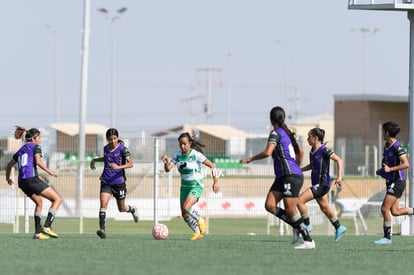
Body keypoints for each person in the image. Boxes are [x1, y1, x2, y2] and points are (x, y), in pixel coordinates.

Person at [240, 106, 315, 249]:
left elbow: (268, 152)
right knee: (270, 205)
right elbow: (300, 150)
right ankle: (297, 225)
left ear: (270, 119)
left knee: (290, 210)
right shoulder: (286, 133)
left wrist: (250, 159)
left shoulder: (276, 133)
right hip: (282, 176)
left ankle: (309, 240)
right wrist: (296, 164)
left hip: (290, 176)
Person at [5, 126, 62, 240]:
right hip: (31, 179)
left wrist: (8, 178)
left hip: (22, 182)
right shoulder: (36, 147)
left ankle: (37, 233)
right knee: (57, 199)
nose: (40, 140)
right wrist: (50, 172)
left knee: (39, 202)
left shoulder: (21, 149)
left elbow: (9, 165)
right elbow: (38, 161)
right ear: (34, 138)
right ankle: (47, 226)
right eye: (39, 138)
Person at [292, 127, 346, 244]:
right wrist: (300, 170)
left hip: (322, 185)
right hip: (316, 184)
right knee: (325, 208)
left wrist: (339, 177)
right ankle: (339, 227)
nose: (307, 139)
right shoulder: (312, 151)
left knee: (299, 201)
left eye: (309, 137)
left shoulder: (324, 150)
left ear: (315, 138)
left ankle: (307, 225)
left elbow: (339, 160)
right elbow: (312, 165)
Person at [161, 132, 220, 241]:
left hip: (196, 185)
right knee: (184, 214)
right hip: (184, 187)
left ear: (190, 143)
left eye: (184, 144)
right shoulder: (177, 155)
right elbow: (168, 169)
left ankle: (201, 221)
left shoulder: (196, 154)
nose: (182, 146)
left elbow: (212, 165)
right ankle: (197, 233)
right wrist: (166, 162)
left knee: (186, 207)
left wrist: (215, 182)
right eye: (180, 144)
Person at [90, 128, 139, 239]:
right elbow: (107, 158)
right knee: (103, 205)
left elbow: (130, 164)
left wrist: (119, 167)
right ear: (107, 139)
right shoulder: (106, 148)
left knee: (121, 209)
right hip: (106, 181)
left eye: (115, 138)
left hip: (119, 182)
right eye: (110, 139)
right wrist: (95, 160)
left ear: (117, 138)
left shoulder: (123, 149)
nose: (113, 141)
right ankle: (102, 230)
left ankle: (132, 209)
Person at [374, 121, 413, 245]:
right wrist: (381, 171)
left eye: (383, 131)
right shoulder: (387, 145)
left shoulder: (397, 147)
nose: (382, 133)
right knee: (395, 211)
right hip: (390, 181)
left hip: (397, 182)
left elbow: (406, 164)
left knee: (384, 208)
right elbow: (388, 164)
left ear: (386, 132)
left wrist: (390, 170)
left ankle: (387, 238)